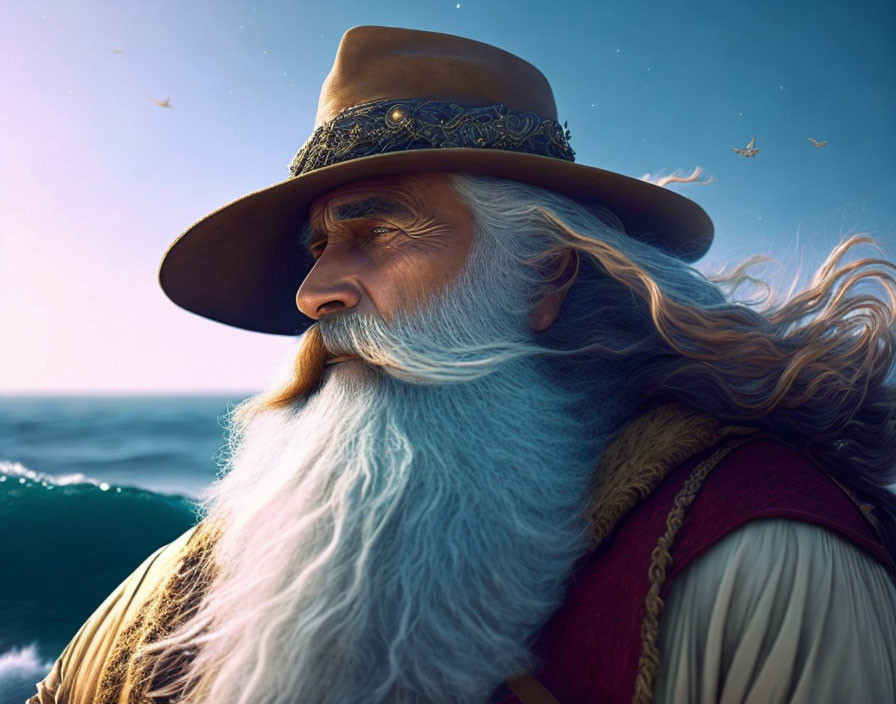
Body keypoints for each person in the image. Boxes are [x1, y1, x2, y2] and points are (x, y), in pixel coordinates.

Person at [30, 26, 896, 704]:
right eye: (319, 246)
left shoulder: (761, 560)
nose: (314, 293)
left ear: (545, 274)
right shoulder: (179, 592)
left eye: (379, 231)